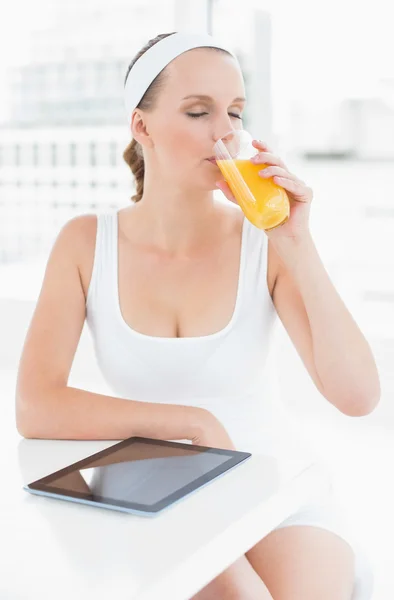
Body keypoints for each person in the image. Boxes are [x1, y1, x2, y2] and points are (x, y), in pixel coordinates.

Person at [15, 31, 380, 600]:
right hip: (165, 493)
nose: (226, 132)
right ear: (142, 127)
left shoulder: (265, 245)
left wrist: (296, 242)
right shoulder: (87, 243)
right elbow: (36, 405)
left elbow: (357, 395)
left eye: (234, 111)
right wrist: (191, 424)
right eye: (198, 111)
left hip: (277, 482)